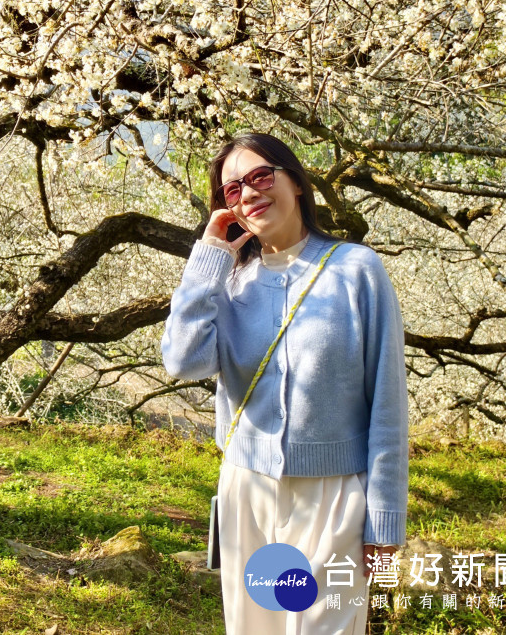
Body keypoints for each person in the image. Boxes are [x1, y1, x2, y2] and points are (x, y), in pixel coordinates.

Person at [161, 132, 408, 635]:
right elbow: (182, 361)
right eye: (232, 190)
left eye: (260, 176)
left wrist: (384, 519)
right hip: (245, 493)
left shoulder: (357, 270)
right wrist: (210, 254)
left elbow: (387, 403)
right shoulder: (228, 283)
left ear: (295, 181)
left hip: (334, 495)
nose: (249, 193)